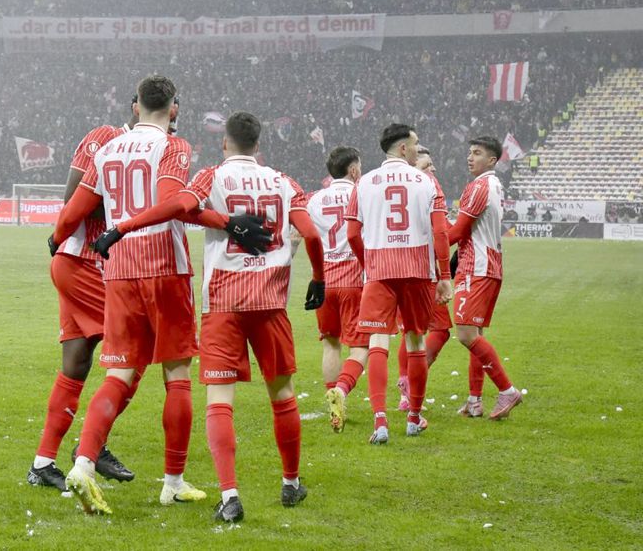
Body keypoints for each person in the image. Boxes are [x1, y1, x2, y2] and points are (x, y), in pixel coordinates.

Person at [49, 76, 268, 515]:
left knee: (119, 374)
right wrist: (227, 221)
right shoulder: (174, 146)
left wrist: (57, 239)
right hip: (164, 268)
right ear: (173, 109)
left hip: (119, 271)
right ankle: (173, 482)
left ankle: (83, 465)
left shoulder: (107, 148)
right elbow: (176, 203)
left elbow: (73, 209)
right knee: (177, 374)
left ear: (136, 107)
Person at [93, 111, 326, 523]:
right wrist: (319, 280)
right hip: (270, 304)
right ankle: (291, 483)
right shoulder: (284, 182)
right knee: (283, 395)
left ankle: (230, 495)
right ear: (259, 145)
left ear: (225, 143)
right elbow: (310, 234)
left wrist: (123, 227)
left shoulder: (211, 176)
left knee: (221, 402)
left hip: (222, 304)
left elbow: (179, 206)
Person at [26, 100, 142, 492]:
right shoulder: (105, 137)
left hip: (83, 263)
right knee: (135, 352)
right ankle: (93, 444)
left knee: (76, 364)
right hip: (85, 260)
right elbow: (72, 194)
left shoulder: (150, 149)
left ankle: (42, 463)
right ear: (136, 106)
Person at [342, 124, 452, 444]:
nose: (419, 149)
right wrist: (444, 276)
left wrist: (368, 263)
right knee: (416, 342)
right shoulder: (427, 181)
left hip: (380, 271)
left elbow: (351, 234)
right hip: (417, 270)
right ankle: (414, 418)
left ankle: (380, 422)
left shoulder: (364, 183)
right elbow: (441, 233)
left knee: (378, 342)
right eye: (416, 144)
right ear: (403, 148)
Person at [448, 136, 523, 420]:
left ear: (492, 160)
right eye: (469, 152)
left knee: (466, 334)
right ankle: (474, 400)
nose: (470, 157)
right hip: (490, 265)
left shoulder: (479, 186)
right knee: (476, 335)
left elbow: (457, 233)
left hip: (475, 267)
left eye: (477, 153)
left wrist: (436, 222)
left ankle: (507, 390)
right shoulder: (494, 184)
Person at [306, 146, 368, 433]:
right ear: (353, 170)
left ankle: (333, 400)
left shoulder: (314, 199)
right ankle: (341, 390)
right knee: (361, 346)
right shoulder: (362, 193)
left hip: (324, 281)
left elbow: (304, 236)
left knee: (331, 343)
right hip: (354, 280)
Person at [395, 146, 454, 412]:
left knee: (411, 331)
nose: (433, 170)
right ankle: (412, 381)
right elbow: (444, 233)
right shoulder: (426, 189)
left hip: (398, 268)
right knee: (437, 331)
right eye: (427, 165)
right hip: (425, 271)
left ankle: (405, 387)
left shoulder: (403, 190)